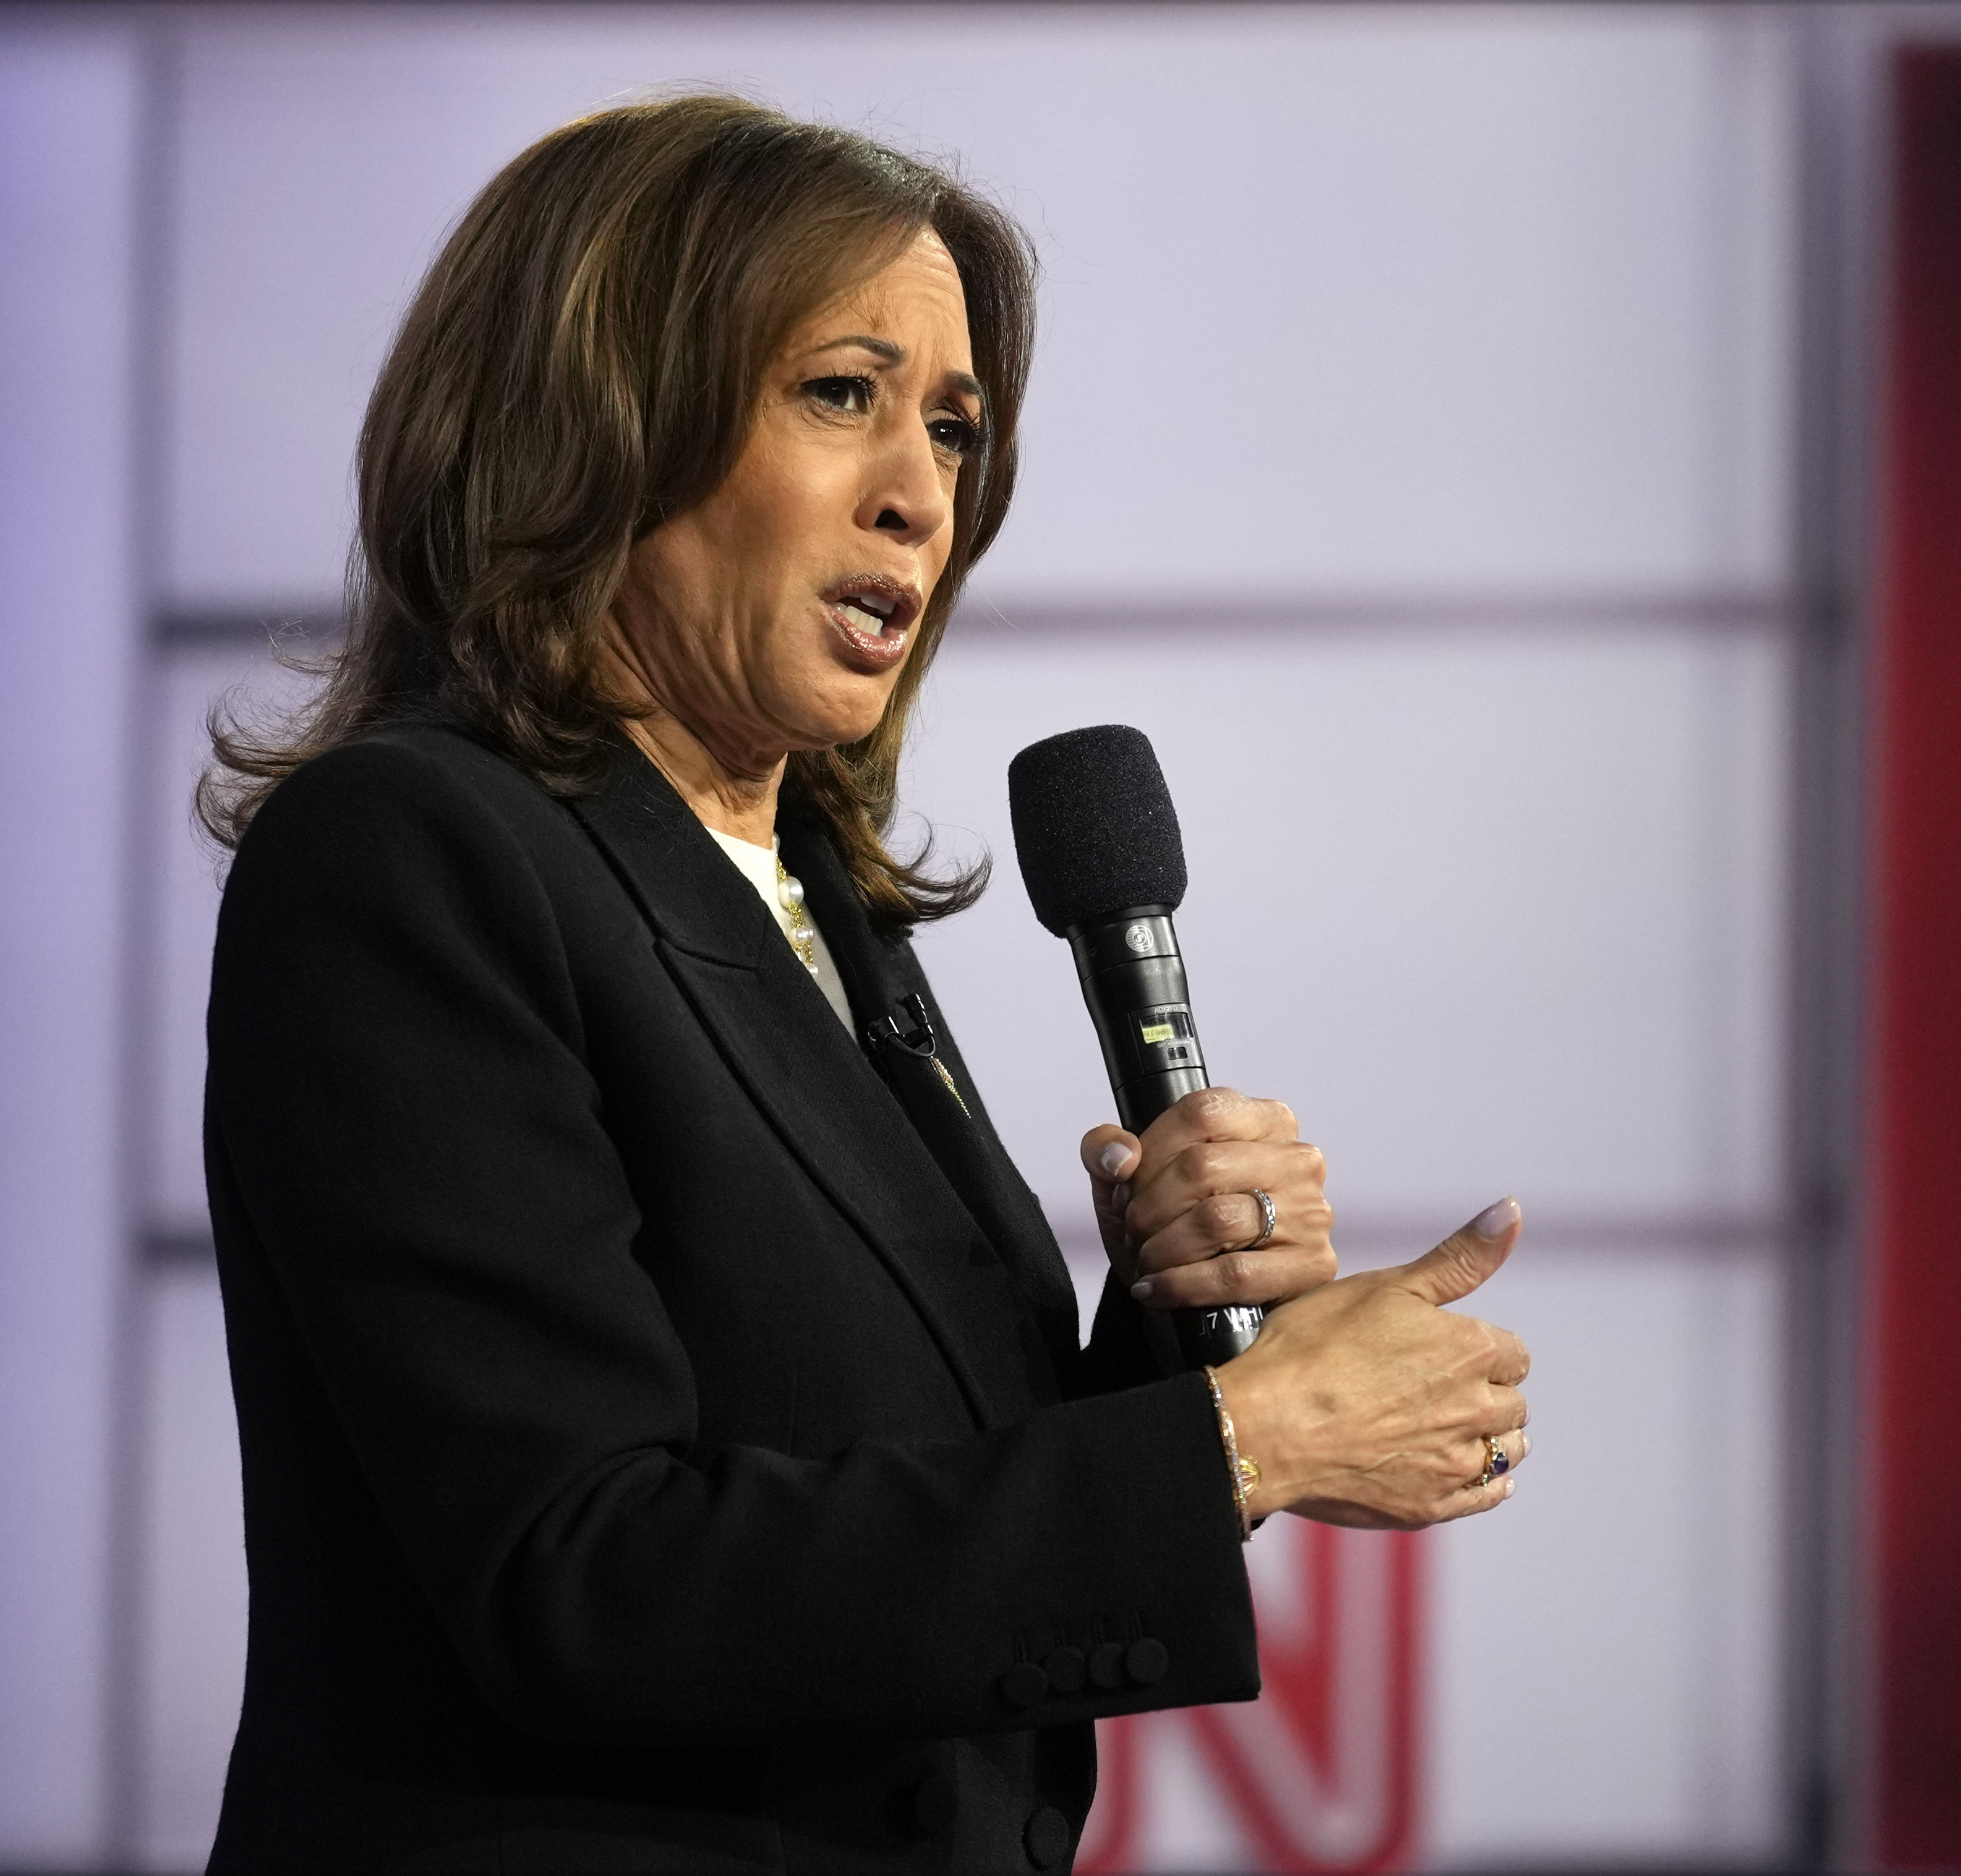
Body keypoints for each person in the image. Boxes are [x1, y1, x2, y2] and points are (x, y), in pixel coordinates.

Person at [197, 94, 1531, 1875]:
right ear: (604, 419)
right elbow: (583, 1573)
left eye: (957, 429)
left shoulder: (816, 908)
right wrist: (1243, 1440)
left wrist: (1164, 1321)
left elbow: (886, 1479)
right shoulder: (415, 856)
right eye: (842, 395)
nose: (924, 494)